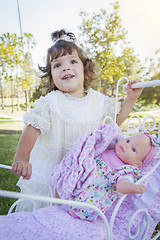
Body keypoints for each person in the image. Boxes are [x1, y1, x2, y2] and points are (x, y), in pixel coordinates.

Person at [12, 29, 143, 212]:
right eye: (57, 65)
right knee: (50, 210)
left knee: (76, 211)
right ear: (51, 76)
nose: (65, 67)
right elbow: (32, 128)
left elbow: (113, 122)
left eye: (73, 62)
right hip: (54, 169)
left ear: (84, 70)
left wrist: (130, 99)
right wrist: (22, 157)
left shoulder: (99, 101)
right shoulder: (52, 102)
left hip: (85, 170)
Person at [52, 123, 158, 221]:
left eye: (133, 149)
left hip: (92, 198)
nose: (126, 145)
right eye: (128, 141)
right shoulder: (110, 148)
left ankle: (75, 215)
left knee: (78, 210)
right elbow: (99, 141)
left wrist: (133, 188)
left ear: (137, 164)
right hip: (82, 182)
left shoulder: (125, 171)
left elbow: (121, 186)